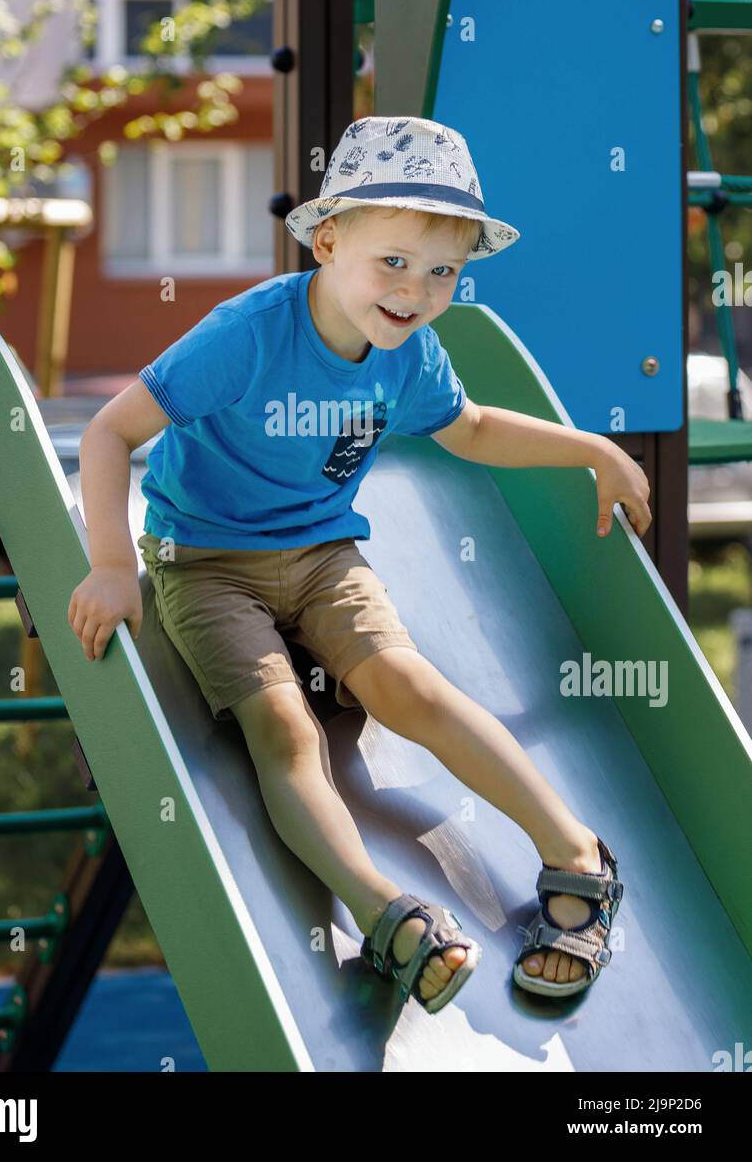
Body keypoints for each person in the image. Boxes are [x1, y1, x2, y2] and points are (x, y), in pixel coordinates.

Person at [68, 116, 643, 1014]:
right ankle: (384, 912)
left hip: (325, 553)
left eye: (442, 272)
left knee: (407, 687)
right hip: (206, 562)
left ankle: (575, 850)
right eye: (394, 262)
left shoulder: (408, 349)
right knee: (288, 735)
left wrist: (589, 451)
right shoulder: (248, 334)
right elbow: (112, 432)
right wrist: (109, 561)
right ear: (329, 238)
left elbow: (475, 429)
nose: (415, 292)